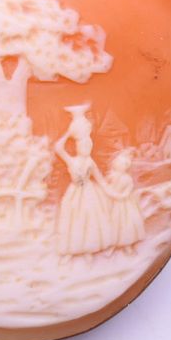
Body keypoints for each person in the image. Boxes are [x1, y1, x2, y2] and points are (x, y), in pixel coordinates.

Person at [55, 105, 115, 256]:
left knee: (91, 218)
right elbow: (58, 147)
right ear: (77, 146)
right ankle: (72, 248)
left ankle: (90, 249)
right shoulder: (72, 161)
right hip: (75, 193)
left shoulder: (90, 162)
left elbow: (100, 179)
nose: (86, 147)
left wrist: (109, 190)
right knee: (74, 218)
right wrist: (69, 133)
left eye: (89, 145)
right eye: (83, 145)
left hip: (89, 191)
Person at [106, 149, 145, 249]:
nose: (120, 166)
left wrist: (121, 196)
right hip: (112, 202)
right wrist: (109, 193)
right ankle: (112, 243)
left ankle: (127, 244)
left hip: (124, 204)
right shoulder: (111, 176)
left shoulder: (128, 179)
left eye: (123, 165)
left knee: (125, 223)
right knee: (112, 222)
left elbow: (128, 190)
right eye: (118, 163)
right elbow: (106, 186)